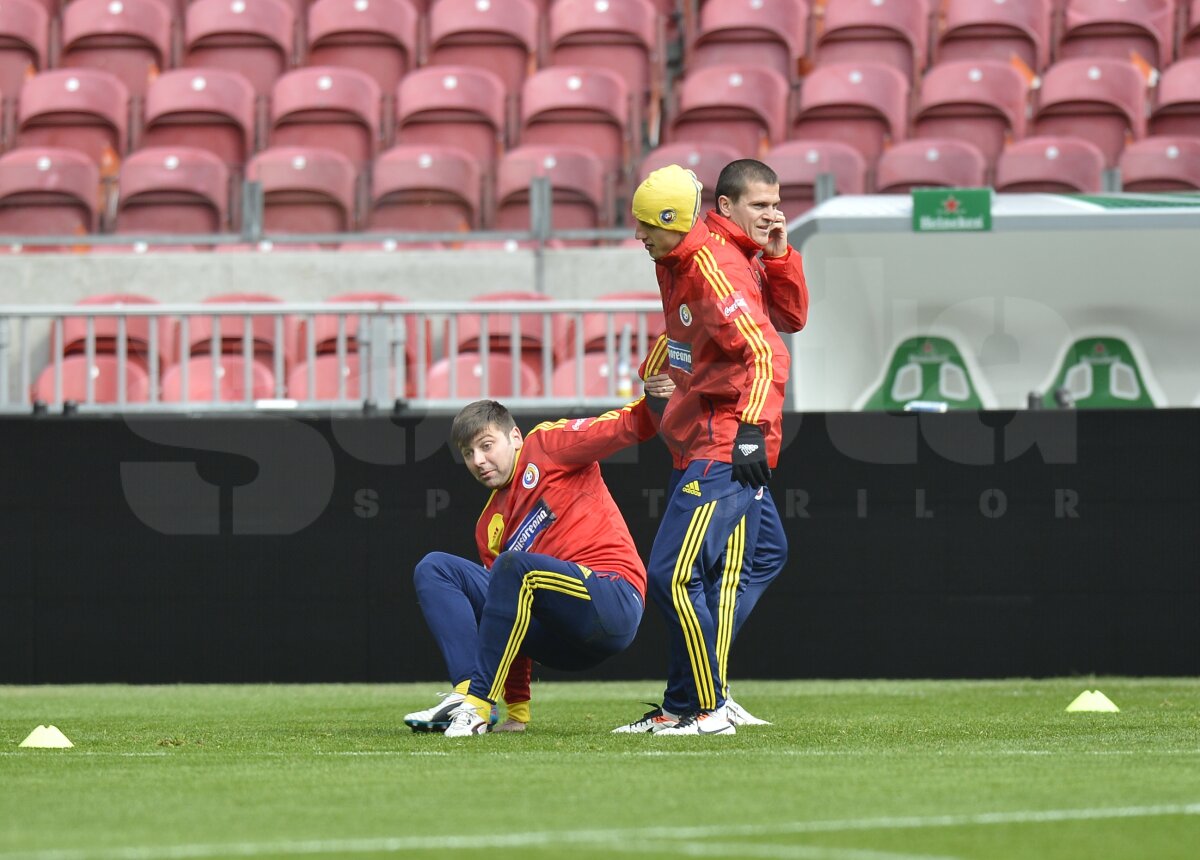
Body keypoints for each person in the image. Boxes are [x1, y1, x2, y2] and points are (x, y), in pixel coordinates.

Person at [614, 162, 796, 736]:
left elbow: (770, 352)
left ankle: (706, 707)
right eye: (760, 205)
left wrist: (749, 434)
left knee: (673, 575)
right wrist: (653, 369)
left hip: (726, 440)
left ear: (674, 221)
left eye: (647, 226)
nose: (639, 236)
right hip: (701, 435)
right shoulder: (682, 256)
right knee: (762, 555)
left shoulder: (712, 265)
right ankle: (685, 703)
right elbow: (684, 329)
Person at [403, 393, 664, 737]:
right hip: (561, 640)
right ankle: (468, 695)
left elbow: (625, 426)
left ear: (514, 438)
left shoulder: (547, 445)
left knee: (513, 568)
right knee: (436, 568)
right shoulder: (489, 526)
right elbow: (505, 614)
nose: (478, 460)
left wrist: (658, 399)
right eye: (468, 453)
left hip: (611, 601)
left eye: (486, 445)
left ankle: (478, 702)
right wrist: (518, 712)